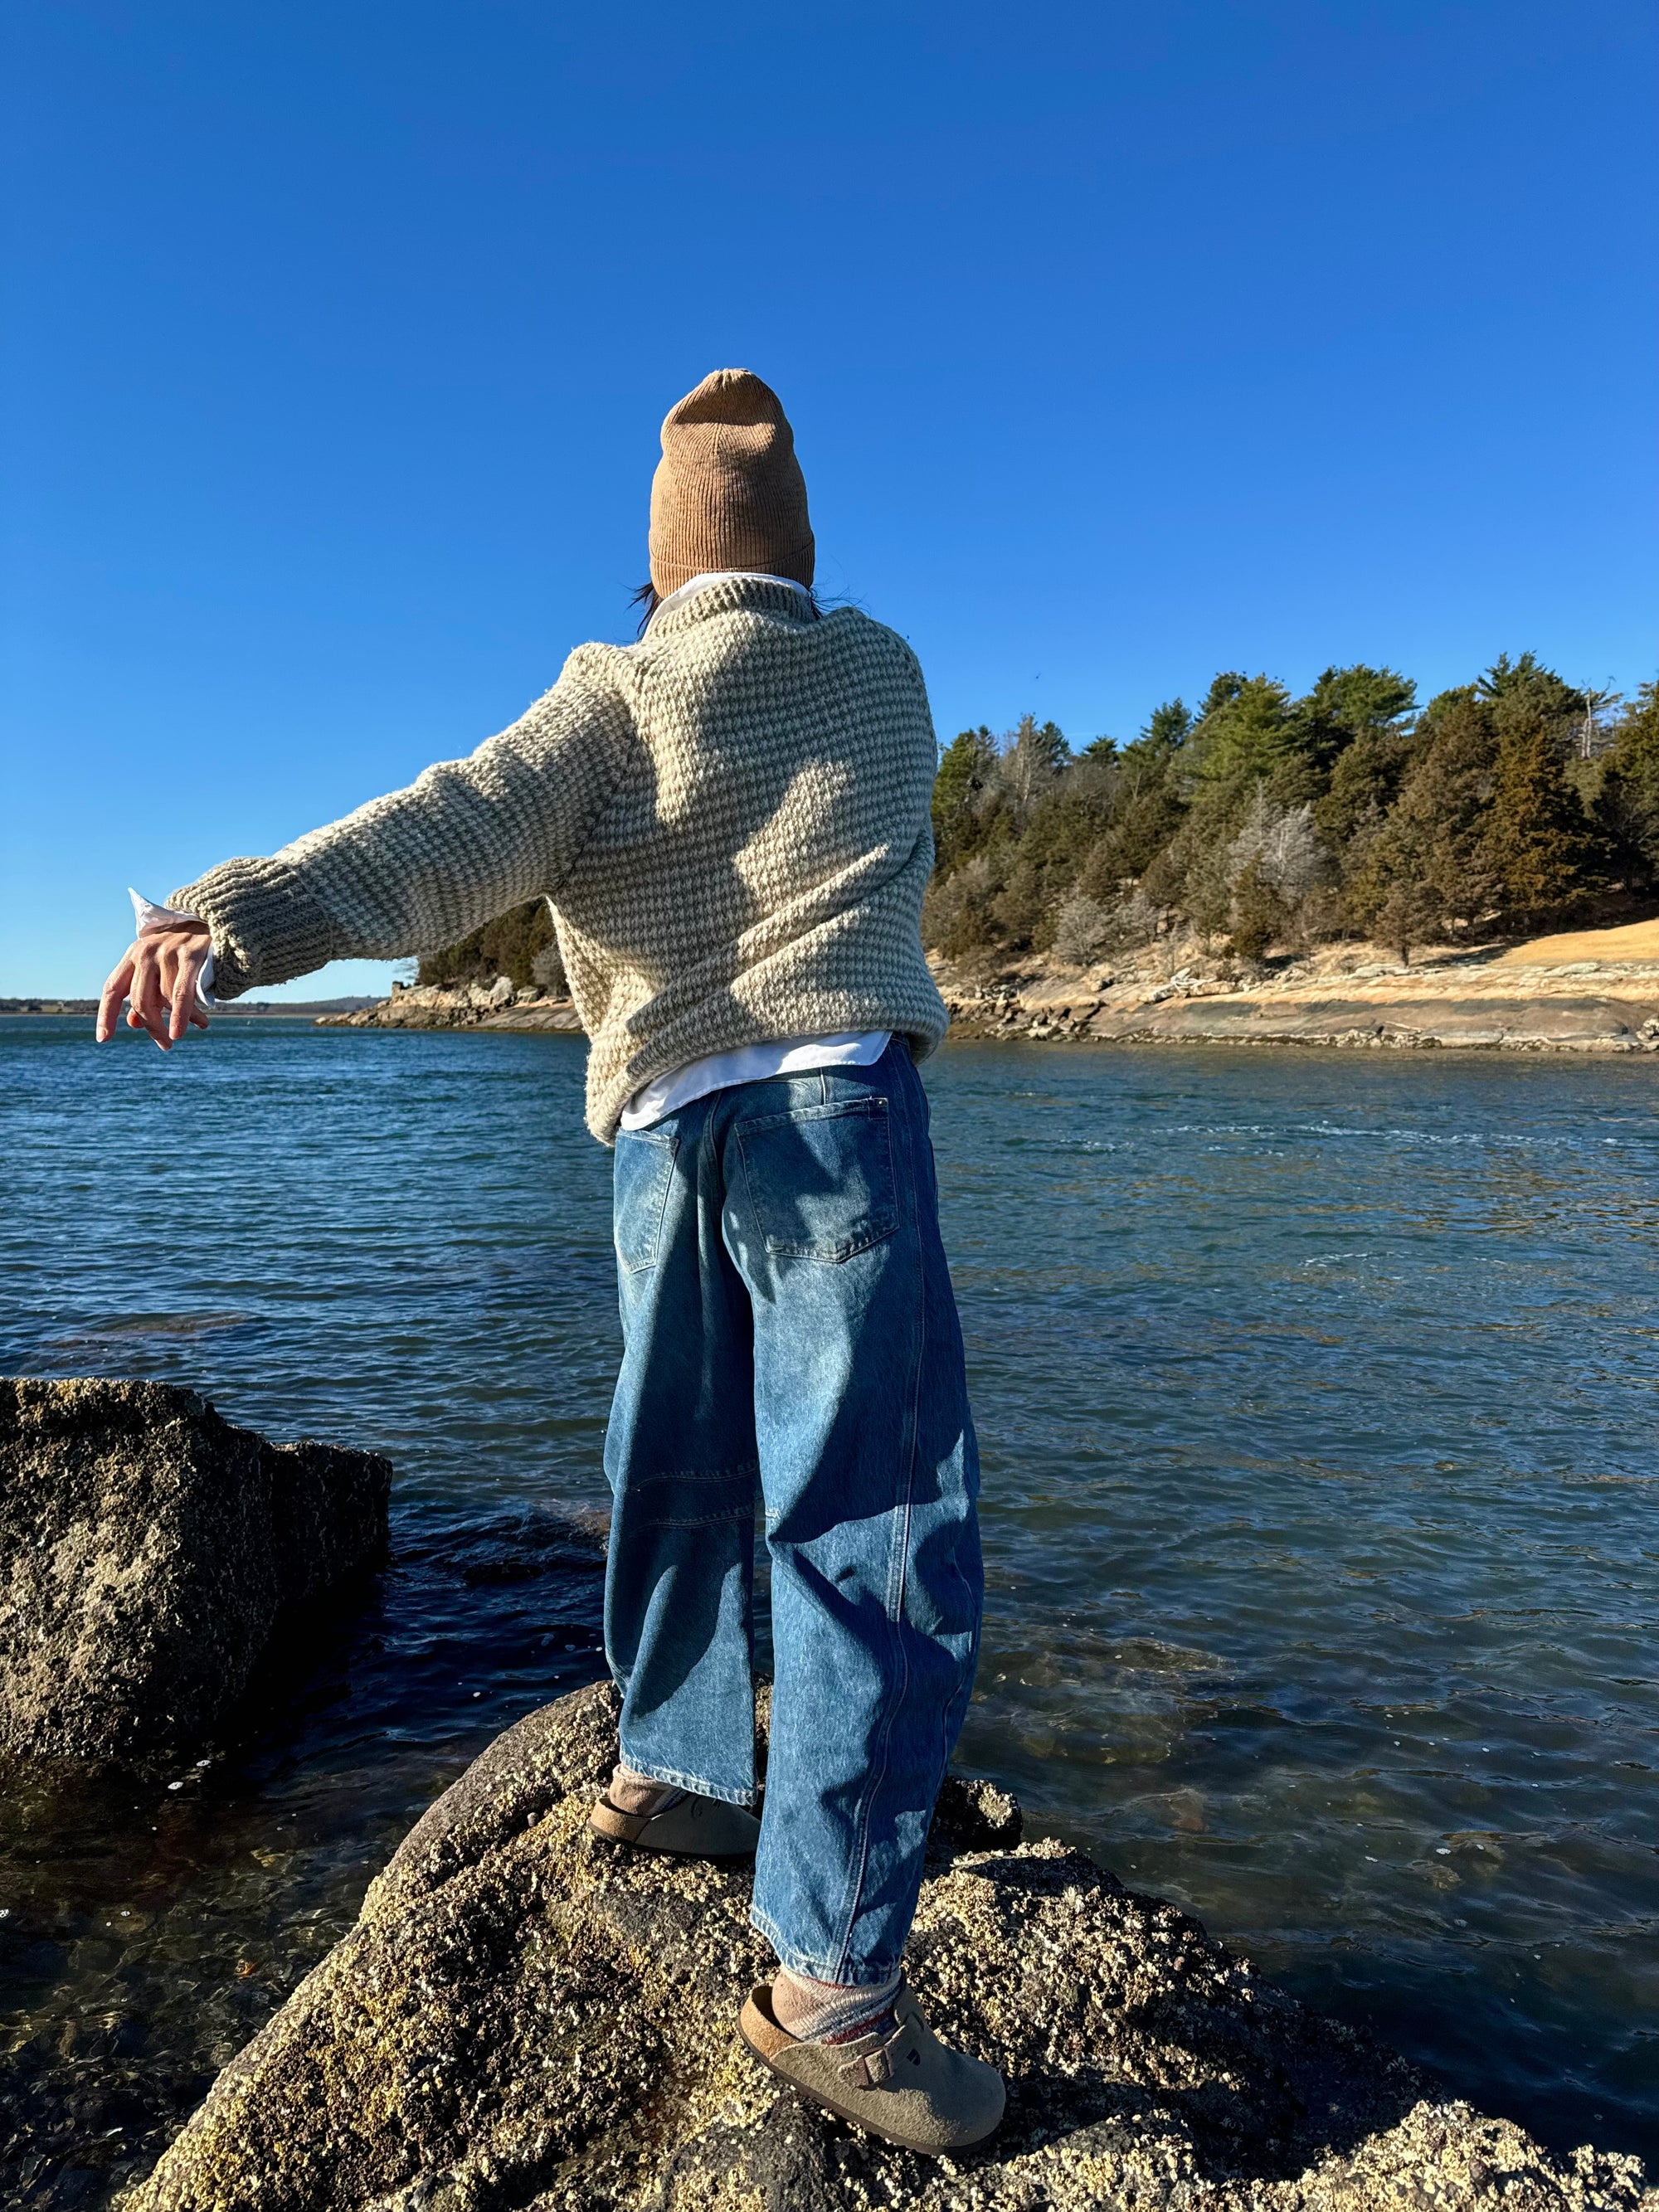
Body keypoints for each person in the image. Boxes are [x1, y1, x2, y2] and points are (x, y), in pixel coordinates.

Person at [96, 369, 1003, 2155]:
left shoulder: (617, 694)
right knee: (872, 1527)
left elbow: (447, 831)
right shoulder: (882, 673)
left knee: (671, 1469)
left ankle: (675, 1770)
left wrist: (231, 917)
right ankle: (833, 1985)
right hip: (833, 1112)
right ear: (804, 550)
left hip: (663, 1125)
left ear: (655, 572)